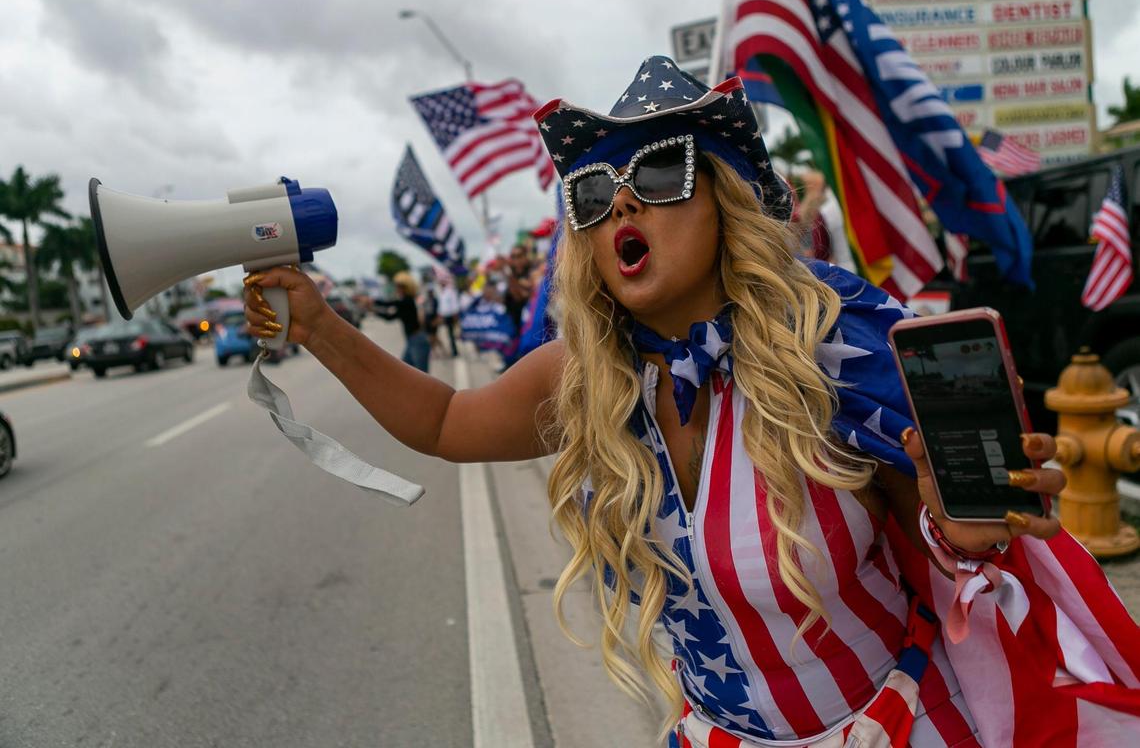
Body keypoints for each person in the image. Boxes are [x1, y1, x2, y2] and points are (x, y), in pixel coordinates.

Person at [243, 57, 1138, 746]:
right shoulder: (587, 382)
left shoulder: (832, 352)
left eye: (661, 172)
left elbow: (942, 541)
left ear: (726, 200)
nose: (623, 198)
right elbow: (442, 423)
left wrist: (963, 529)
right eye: (592, 193)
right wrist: (315, 321)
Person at [371, 270, 430, 372]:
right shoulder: (404, 303)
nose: (396, 289)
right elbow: (389, 317)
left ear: (405, 288)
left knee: (422, 374)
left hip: (417, 340)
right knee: (405, 371)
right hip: (412, 340)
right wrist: (373, 310)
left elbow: (389, 303)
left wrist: (372, 301)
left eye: (399, 286)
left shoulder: (407, 300)